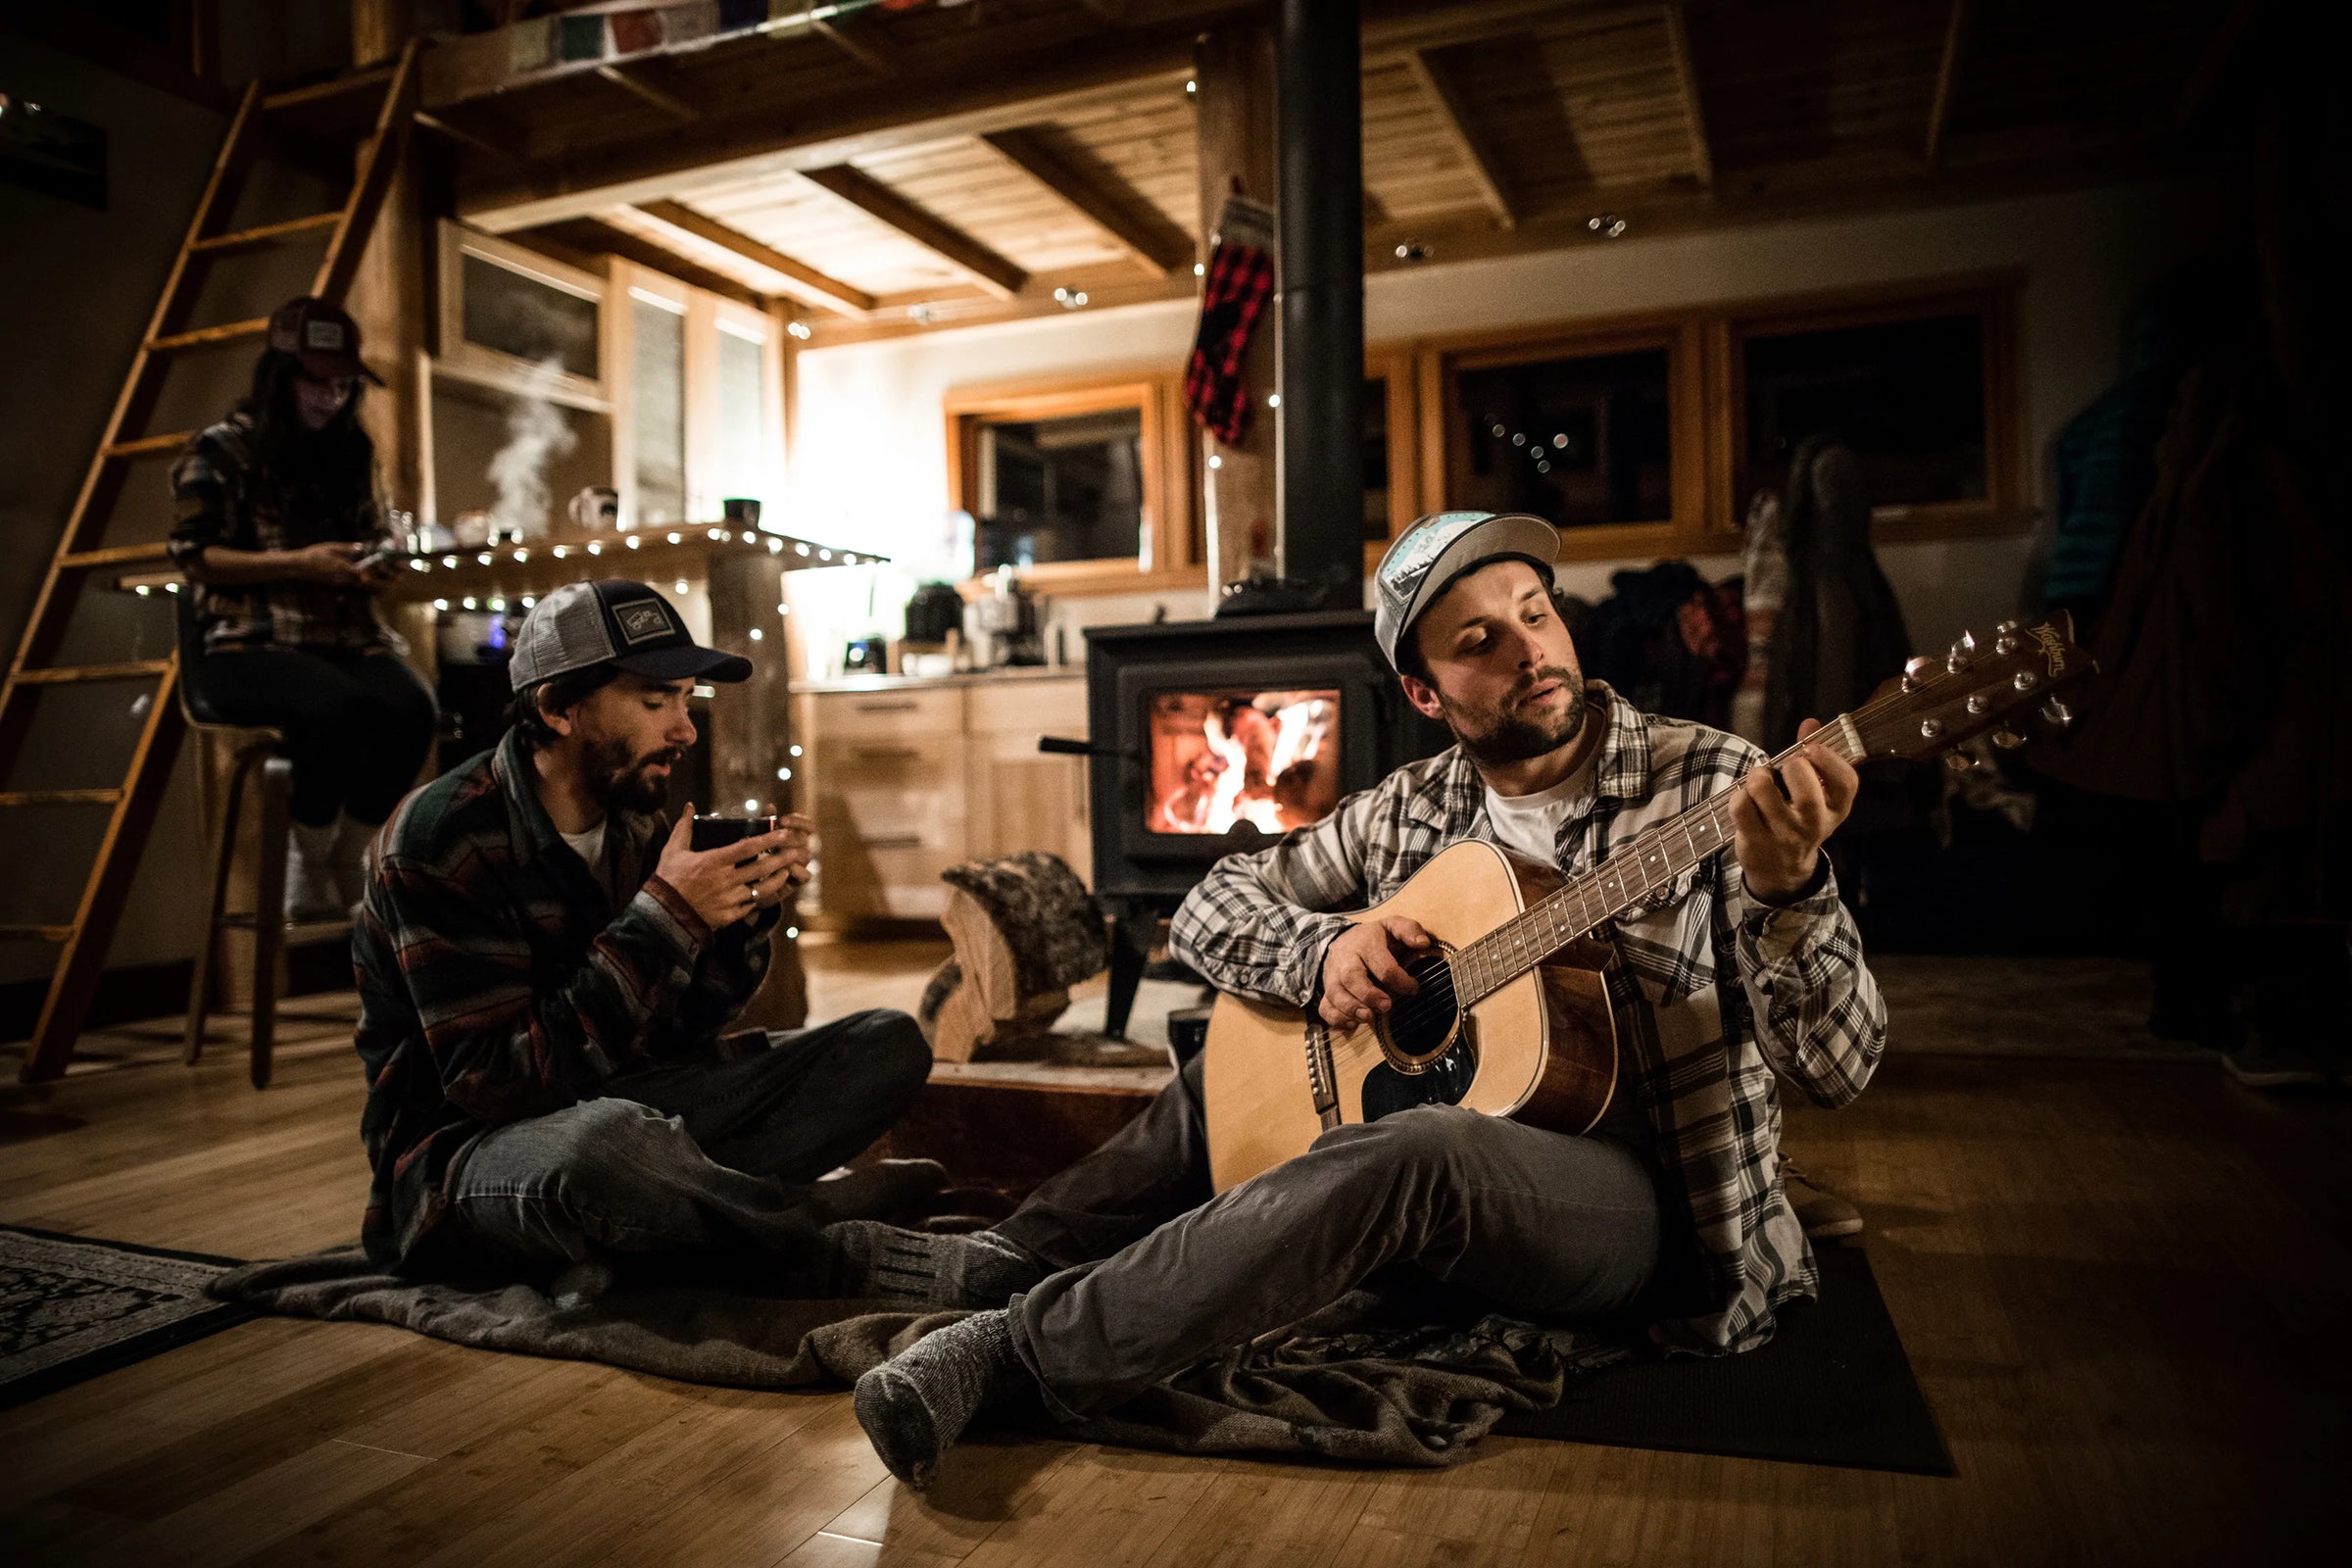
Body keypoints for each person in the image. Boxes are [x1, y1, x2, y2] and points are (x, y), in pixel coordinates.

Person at [821, 511, 1888, 1489]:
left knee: (1421, 1146)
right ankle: (1016, 1251)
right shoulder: (1409, 810)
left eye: (1535, 612)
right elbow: (1209, 908)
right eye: (1479, 642)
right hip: (1475, 1163)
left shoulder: (1715, 786)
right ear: (1425, 695)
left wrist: (1791, 888)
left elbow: (1837, 1069)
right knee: (1230, 1067)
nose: (1531, 649)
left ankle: (1026, 1349)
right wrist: (1325, 952)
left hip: (1650, 1224)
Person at [351, 579, 932, 1280]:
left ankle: (691, 1219)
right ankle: (810, 1226)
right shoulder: (440, 838)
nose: (684, 729)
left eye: (687, 699)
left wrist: (737, 918)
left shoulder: (633, 823)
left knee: (885, 1043)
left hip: (633, 1106)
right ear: (559, 708)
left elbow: (677, 1038)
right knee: (604, 1147)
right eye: (657, 703)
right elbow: (496, 1084)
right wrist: (665, 916)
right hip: (472, 1157)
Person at [168, 296, 439, 918]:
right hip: (245, 645)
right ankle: (305, 861)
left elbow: (366, 536)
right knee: (338, 708)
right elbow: (195, 554)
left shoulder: (352, 451)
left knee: (412, 709)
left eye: (343, 386)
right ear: (279, 376)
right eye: (316, 383)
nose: (331, 398)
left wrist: (376, 563)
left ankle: (344, 858)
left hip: (342, 639)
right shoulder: (222, 450)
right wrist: (299, 562)